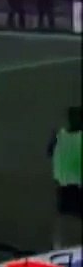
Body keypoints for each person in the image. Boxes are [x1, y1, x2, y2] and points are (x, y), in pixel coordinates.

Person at [48, 106, 82, 249]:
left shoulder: (60, 136)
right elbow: (50, 152)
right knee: (65, 223)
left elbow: (50, 152)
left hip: (69, 189)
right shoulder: (60, 136)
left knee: (65, 223)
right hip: (68, 189)